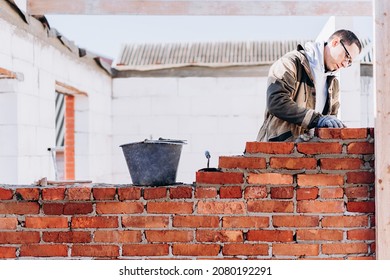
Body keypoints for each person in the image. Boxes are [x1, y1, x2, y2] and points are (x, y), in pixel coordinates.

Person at [256, 29, 362, 142]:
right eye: (347, 56)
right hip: (278, 151)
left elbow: (330, 119)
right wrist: (317, 119)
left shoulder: (333, 83)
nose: (345, 64)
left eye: (349, 62)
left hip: (308, 154)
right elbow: (276, 102)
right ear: (335, 42)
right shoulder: (291, 63)